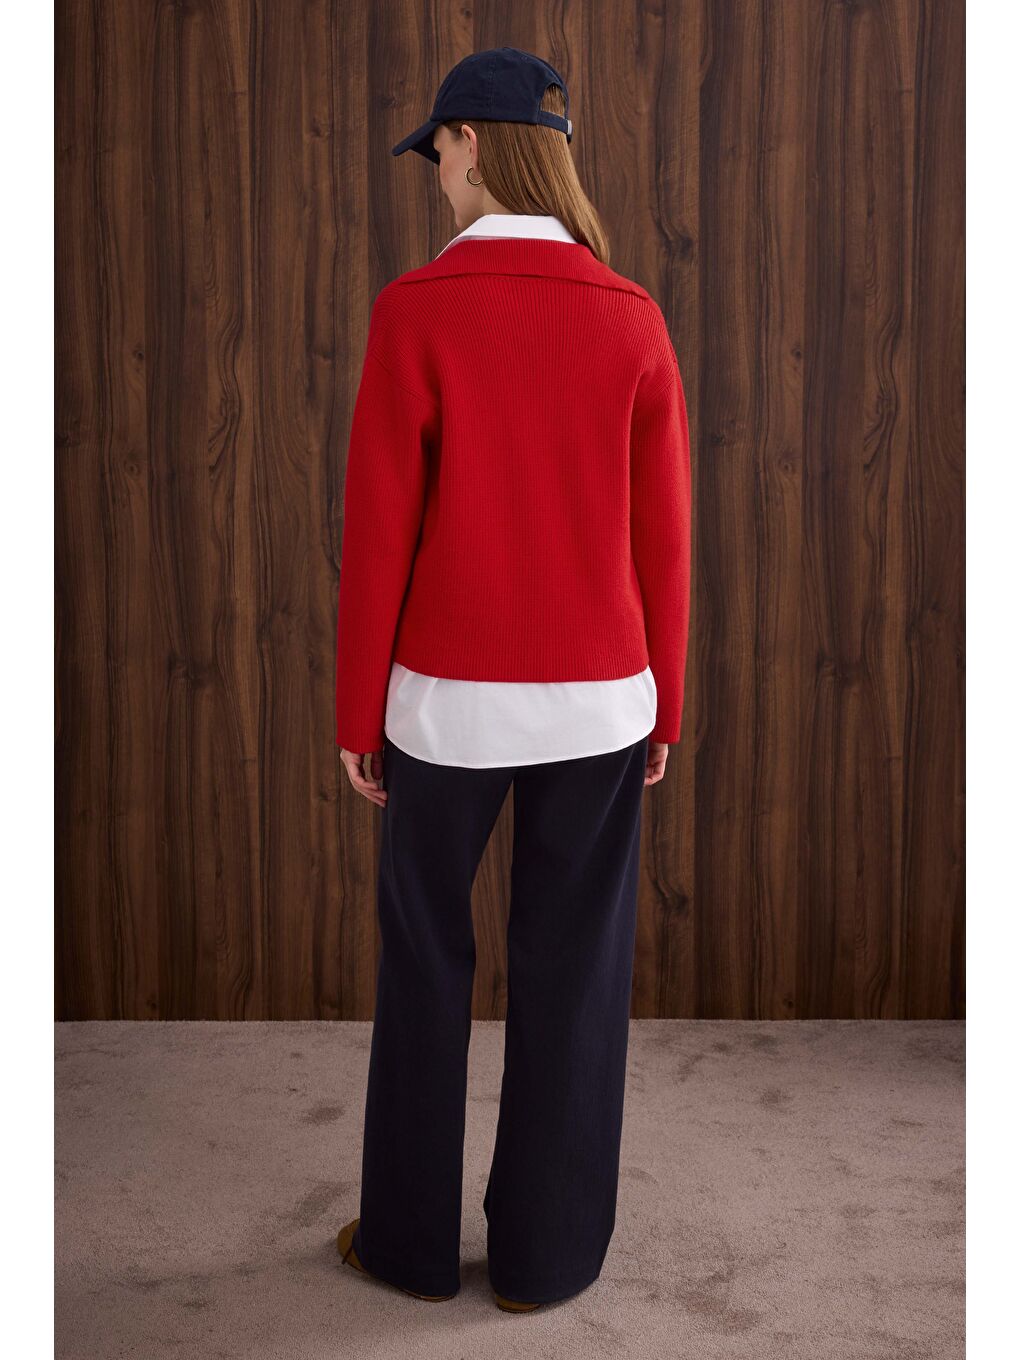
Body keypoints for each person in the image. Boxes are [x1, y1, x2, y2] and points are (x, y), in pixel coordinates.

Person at [333, 47, 691, 1312]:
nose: (436, 172)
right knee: (575, 972)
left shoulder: (417, 308)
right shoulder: (632, 315)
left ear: (473, 143)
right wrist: (665, 695)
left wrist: (358, 712)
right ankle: (546, 1261)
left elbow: (380, 528)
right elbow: (663, 535)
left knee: (424, 959)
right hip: (600, 698)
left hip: (444, 701)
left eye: (437, 149)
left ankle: (409, 1248)